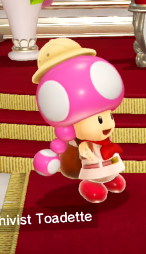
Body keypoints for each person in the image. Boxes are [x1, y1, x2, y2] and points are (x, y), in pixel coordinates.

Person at [32, 39, 127, 203]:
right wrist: (84, 149)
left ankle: (110, 177)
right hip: (93, 162)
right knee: (94, 169)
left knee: (110, 165)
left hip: (108, 158)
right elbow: (81, 147)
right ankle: (90, 183)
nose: (108, 124)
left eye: (110, 117)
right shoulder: (80, 138)